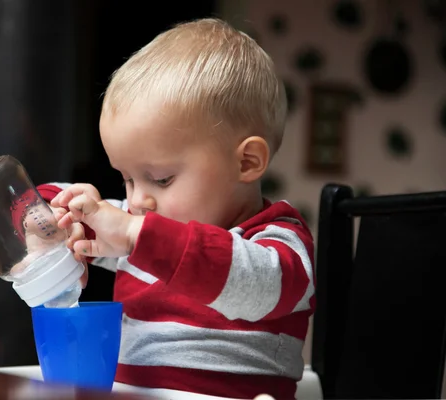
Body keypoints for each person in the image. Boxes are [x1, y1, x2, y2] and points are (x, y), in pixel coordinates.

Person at [37, 18, 315, 400]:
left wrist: (136, 237)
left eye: (161, 179)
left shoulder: (278, 245)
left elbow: (250, 282)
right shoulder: (141, 222)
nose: (136, 201)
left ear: (247, 162)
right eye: (128, 179)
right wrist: (56, 214)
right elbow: (65, 209)